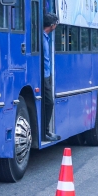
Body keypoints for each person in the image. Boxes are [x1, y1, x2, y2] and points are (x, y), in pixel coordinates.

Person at [42, 13, 60, 141]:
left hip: (47, 74)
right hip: (43, 75)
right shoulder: (42, 38)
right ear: (52, 25)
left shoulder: (45, 37)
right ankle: (45, 131)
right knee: (49, 102)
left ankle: (45, 131)